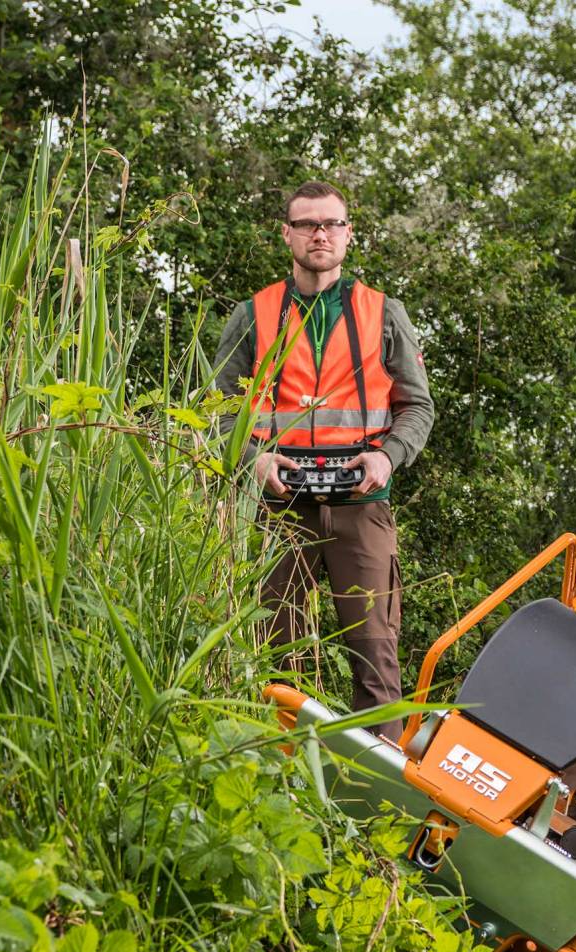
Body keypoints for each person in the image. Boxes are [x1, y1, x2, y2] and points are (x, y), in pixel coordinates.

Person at [215, 180, 434, 740]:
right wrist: (253, 460)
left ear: (348, 234)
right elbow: (216, 410)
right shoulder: (253, 314)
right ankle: (280, 767)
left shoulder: (383, 313)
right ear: (286, 234)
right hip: (278, 506)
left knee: (375, 652)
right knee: (276, 648)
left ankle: (377, 780)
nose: (320, 233)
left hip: (361, 503)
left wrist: (386, 458)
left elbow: (417, 407)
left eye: (331, 224)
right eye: (308, 224)